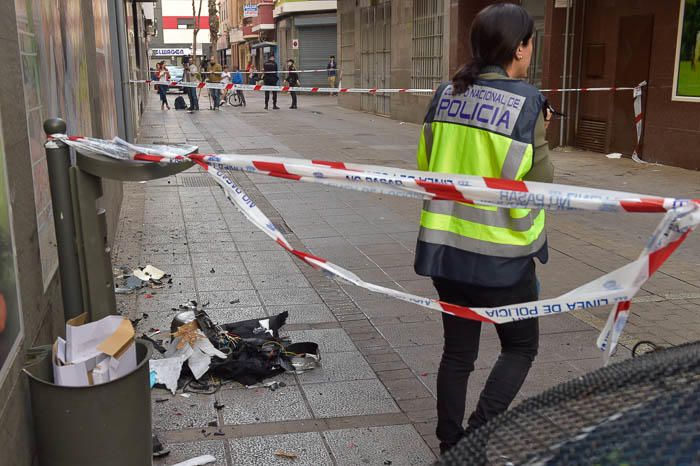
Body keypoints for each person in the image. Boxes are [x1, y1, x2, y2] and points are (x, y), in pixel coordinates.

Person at [414, 3, 553, 455]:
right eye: (531, 43)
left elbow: (424, 165)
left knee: (458, 354)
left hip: (447, 254)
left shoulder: (445, 93)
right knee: (520, 348)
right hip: (504, 261)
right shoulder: (529, 103)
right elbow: (541, 185)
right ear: (519, 49)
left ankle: (451, 443)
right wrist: (543, 133)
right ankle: (477, 438)